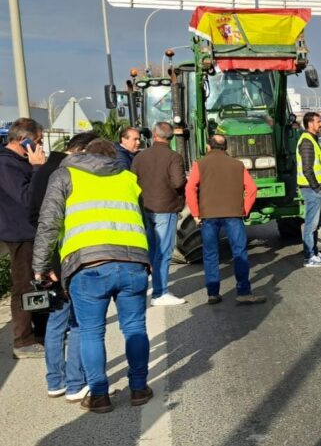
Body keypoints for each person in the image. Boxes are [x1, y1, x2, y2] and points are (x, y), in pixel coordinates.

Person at [32, 138, 152, 413]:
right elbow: (143, 221)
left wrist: (40, 265)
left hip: (88, 266)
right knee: (134, 327)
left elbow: (48, 222)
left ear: (84, 153)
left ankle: (99, 395)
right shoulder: (128, 178)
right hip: (132, 262)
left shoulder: (65, 175)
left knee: (90, 332)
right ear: (114, 156)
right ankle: (138, 389)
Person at [32, 131, 96, 401]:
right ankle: (75, 383)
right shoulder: (73, 174)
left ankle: (54, 381)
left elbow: (37, 218)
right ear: (81, 151)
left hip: (50, 258)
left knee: (57, 322)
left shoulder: (43, 170)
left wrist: (43, 263)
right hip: (70, 258)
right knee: (80, 323)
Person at [185, 135, 265, 304]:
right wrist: (245, 209)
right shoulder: (237, 165)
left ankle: (213, 293)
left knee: (210, 254)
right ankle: (243, 291)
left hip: (208, 216)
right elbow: (252, 188)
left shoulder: (200, 164)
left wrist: (195, 213)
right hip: (234, 215)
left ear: (208, 146)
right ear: (226, 147)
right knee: (239, 252)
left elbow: (190, 188)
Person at [0, 117, 48, 359]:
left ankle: (41, 333)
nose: (40, 146)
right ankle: (22, 340)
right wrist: (38, 168)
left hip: (31, 232)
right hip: (19, 234)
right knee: (24, 286)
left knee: (36, 283)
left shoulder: (20, 161)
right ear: (23, 140)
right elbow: (27, 199)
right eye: (37, 141)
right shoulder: (6, 165)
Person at [131, 121, 187, 305]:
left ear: (154, 135)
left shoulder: (140, 157)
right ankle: (160, 292)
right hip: (166, 208)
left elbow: (132, 180)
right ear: (171, 137)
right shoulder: (174, 157)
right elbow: (179, 182)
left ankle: (151, 285)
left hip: (145, 208)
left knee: (151, 250)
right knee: (164, 252)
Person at [296, 112, 321, 267]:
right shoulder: (307, 141)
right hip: (311, 189)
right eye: (318, 121)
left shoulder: (311, 140)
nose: (320, 124)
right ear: (310, 124)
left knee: (314, 224)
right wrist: (316, 187)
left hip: (314, 189)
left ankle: (314, 252)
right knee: (311, 224)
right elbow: (308, 168)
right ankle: (309, 256)